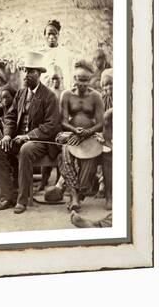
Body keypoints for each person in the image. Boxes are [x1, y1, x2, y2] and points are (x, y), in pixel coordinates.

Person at [0, 51, 61, 214]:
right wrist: (8, 135)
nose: (27, 75)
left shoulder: (49, 96)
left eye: (31, 72)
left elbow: (51, 125)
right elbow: (10, 116)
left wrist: (28, 136)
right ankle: (7, 197)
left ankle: (22, 200)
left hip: (41, 142)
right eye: (26, 71)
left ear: (39, 74)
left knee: (26, 149)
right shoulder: (21, 93)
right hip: (18, 139)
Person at [57, 59, 104, 211]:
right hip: (72, 134)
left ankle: (79, 191)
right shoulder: (66, 95)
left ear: (90, 80)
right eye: (80, 80)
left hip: (90, 136)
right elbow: (63, 121)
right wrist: (73, 130)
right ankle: (74, 197)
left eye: (86, 80)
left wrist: (89, 132)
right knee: (66, 155)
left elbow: (100, 123)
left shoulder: (96, 96)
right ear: (74, 79)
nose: (83, 84)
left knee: (90, 159)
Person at [40, 19, 74, 91]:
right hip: (44, 92)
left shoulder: (66, 54)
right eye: (49, 34)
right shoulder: (40, 53)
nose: (51, 37)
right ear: (44, 35)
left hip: (61, 92)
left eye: (54, 34)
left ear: (58, 34)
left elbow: (69, 76)